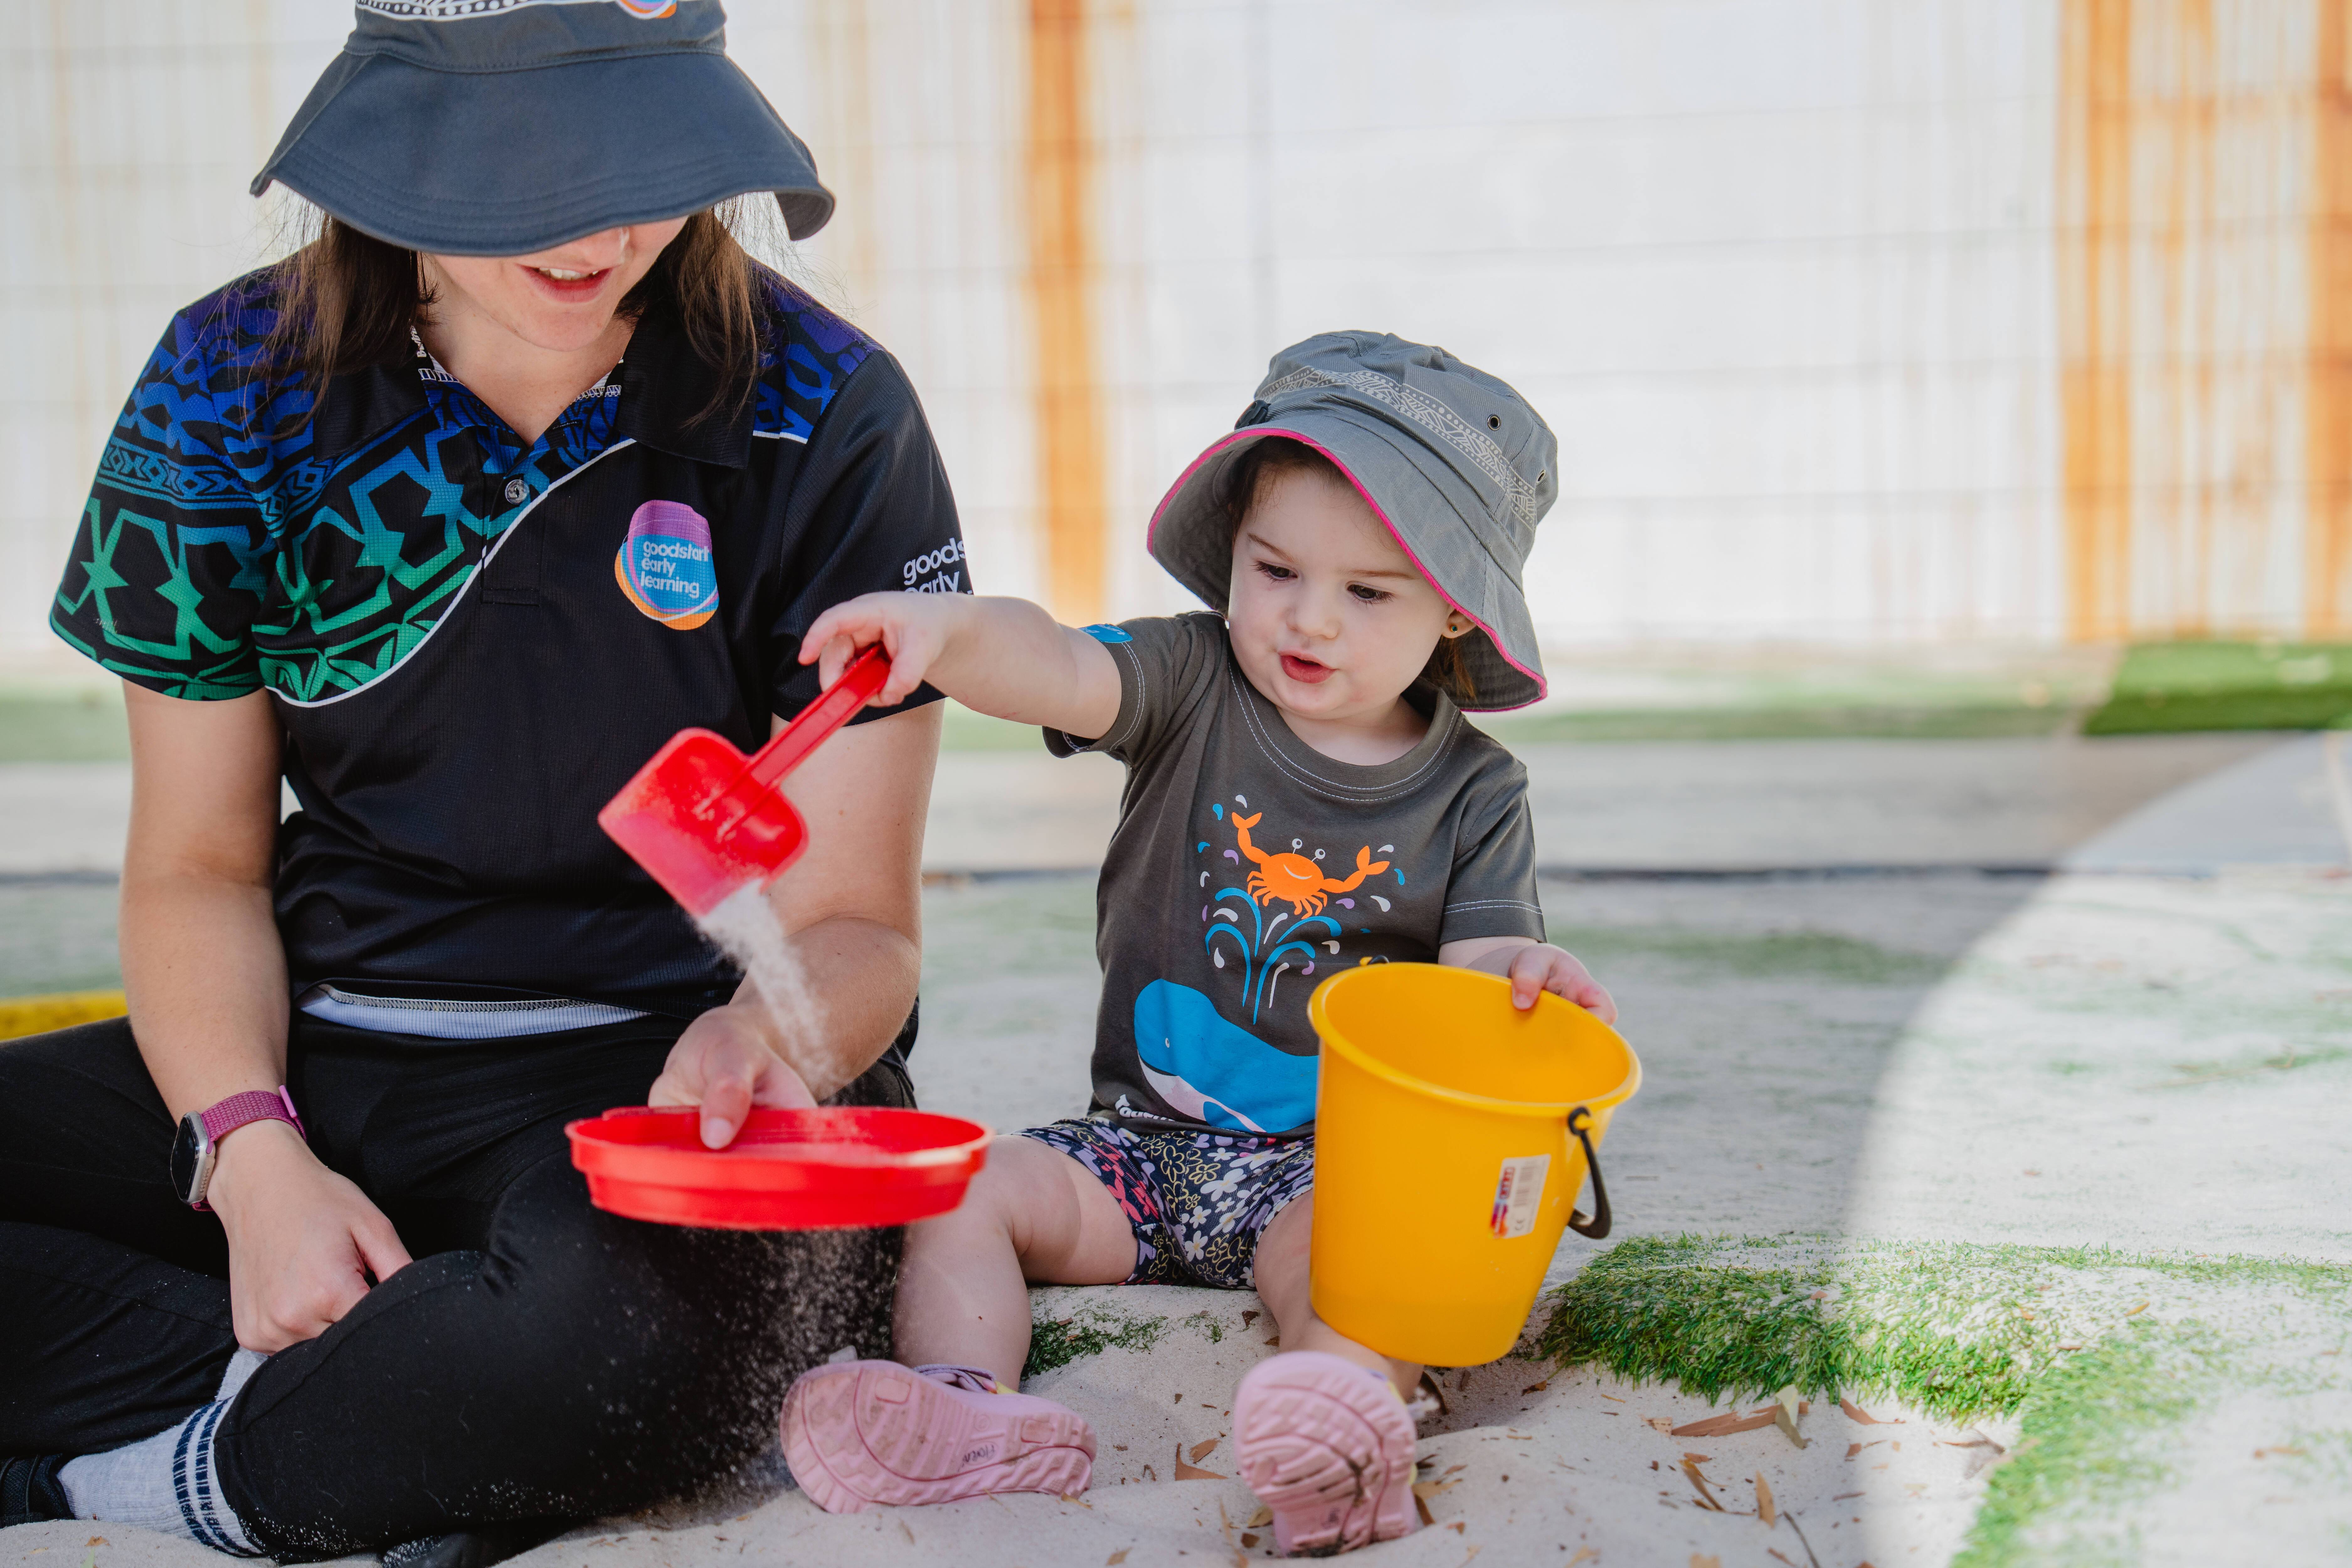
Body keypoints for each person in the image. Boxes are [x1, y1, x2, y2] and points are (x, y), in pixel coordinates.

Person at [0, 3, 962, 1561]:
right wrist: (252, 1158)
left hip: (657, 1082)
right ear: (395, 150)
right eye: (524, 164)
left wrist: (761, 1030)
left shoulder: (829, 409)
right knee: (543, 1361)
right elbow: (198, 867)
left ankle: (160, 1468)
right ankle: (394, 1401)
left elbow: (859, 928)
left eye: (648, 153)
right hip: (318, 1043)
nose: (602, 224)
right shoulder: (224, 381)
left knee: (665, 1339)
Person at [775, 332, 1619, 1555]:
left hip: (1329, 1171)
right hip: (1135, 1146)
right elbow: (1059, 662)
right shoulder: (1192, 676)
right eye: (1276, 567)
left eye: (1368, 591)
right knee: (961, 1183)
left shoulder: (1475, 794)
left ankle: (1341, 1432)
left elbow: (1481, 982)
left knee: (1358, 1278)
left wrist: (1529, 987)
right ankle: (969, 1408)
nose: (1309, 616)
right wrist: (948, 636)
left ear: (1451, 612)